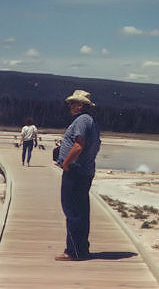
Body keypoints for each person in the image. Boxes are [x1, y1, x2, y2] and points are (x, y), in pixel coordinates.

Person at [54, 89, 101, 261]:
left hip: (75, 171)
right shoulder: (91, 121)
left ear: (80, 105)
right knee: (80, 211)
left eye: (73, 103)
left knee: (72, 211)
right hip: (84, 171)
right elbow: (96, 146)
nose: (70, 106)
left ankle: (73, 251)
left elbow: (79, 145)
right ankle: (81, 249)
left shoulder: (81, 120)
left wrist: (66, 163)